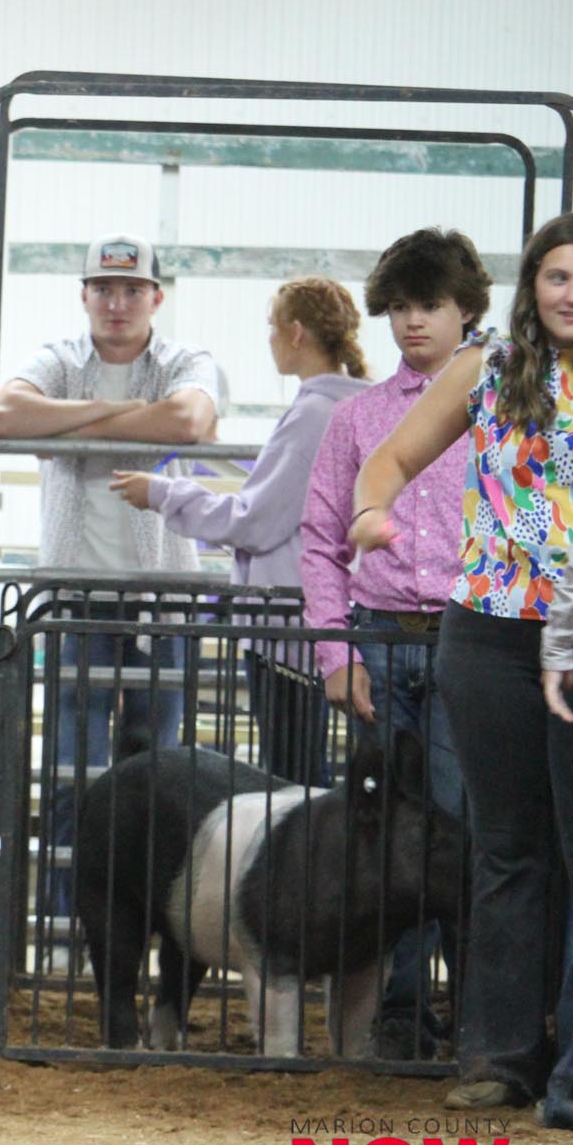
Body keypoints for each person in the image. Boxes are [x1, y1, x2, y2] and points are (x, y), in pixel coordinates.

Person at [351, 211, 573, 1114]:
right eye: (559, 276)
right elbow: (391, 457)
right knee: (506, 846)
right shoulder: (484, 367)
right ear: (532, 285)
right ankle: (499, 1055)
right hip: (489, 630)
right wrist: (370, 511)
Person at [299, 227, 491, 1059]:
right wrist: (336, 655)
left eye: (431, 305)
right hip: (379, 639)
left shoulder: (497, 407)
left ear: (466, 310)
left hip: (467, 637)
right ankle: (402, 1014)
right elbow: (319, 539)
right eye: (402, 306)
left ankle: (482, 1019)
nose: (414, 321)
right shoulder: (356, 417)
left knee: (463, 827)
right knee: (388, 838)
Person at [0, 233, 223, 932]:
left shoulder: (185, 360)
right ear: (84, 296)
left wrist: (69, 426)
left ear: (156, 297)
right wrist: (128, 420)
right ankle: (67, 927)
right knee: (72, 770)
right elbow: (3, 414)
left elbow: (189, 418)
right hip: (78, 598)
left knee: (160, 774)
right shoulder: (58, 358)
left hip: (164, 597)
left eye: (130, 290)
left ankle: (148, 923)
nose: (116, 303)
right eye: (103, 289)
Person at [109, 276, 372, 784]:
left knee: (293, 772)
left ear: (296, 333)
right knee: (309, 767)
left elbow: (256, 521)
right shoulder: (347, 407)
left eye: (272, 326)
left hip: (289, 623)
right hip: (316, 614)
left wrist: (164, 494)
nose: (269, 339)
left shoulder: (314, 415)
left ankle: (305, 840)